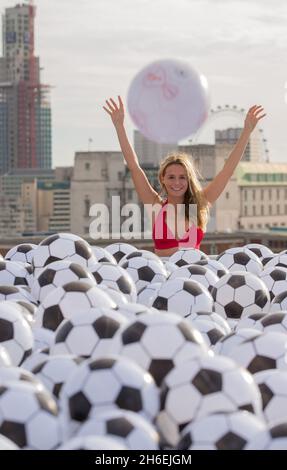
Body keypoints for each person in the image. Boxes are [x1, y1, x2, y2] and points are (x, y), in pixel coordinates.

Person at [103, 96, 266, 257]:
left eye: (182, 177)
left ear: (189, 180)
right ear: (163, 179)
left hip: (193, 278)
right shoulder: (156, 207)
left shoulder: (201, 205)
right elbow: (134, 166)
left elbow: (227, 171)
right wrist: (119, 126)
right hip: (163, 279)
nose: (177, 182)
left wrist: (246, 131)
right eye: (171, 177)